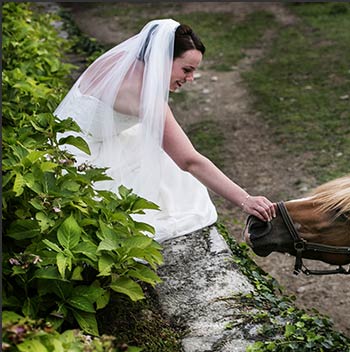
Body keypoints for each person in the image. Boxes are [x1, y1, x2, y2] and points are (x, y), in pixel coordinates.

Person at [55, 19, 275, 242]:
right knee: (177, 180)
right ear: (161, 58)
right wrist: (245, 200)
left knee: (155, 150)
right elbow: (189, 160)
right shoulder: (143, 96)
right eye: (187, 70)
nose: (190, 79)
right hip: (75, 161)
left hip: (58, 139)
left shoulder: (121, 60)